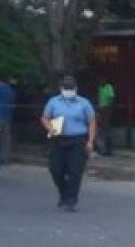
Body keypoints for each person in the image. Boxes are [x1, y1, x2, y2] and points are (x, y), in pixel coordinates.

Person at [41, 75, 96, 211]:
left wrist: (90, 141)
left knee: (75, 172)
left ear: (76, 88)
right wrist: (50, 128)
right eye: (66, 88)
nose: (69, 91)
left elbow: (92, 122)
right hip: (58, 138)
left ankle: (71, 200)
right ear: (61, 88)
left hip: (78, 140)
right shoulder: (54, 102)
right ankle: (64, 193)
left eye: (71, 88)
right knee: (55, 170)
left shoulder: (84, 103)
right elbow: (45, 118)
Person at [96, 76, 115, 155]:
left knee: (106, 128)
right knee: (101, 128)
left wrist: (108, 108)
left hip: (106, 109)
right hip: (101, 109)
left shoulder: (108, 87)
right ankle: (102, 149)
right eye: (100, 80)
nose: (101, 81)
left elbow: (111, 97)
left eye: (102, 80)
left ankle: (108, 149)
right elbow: (99, 98)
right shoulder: (100, 87)